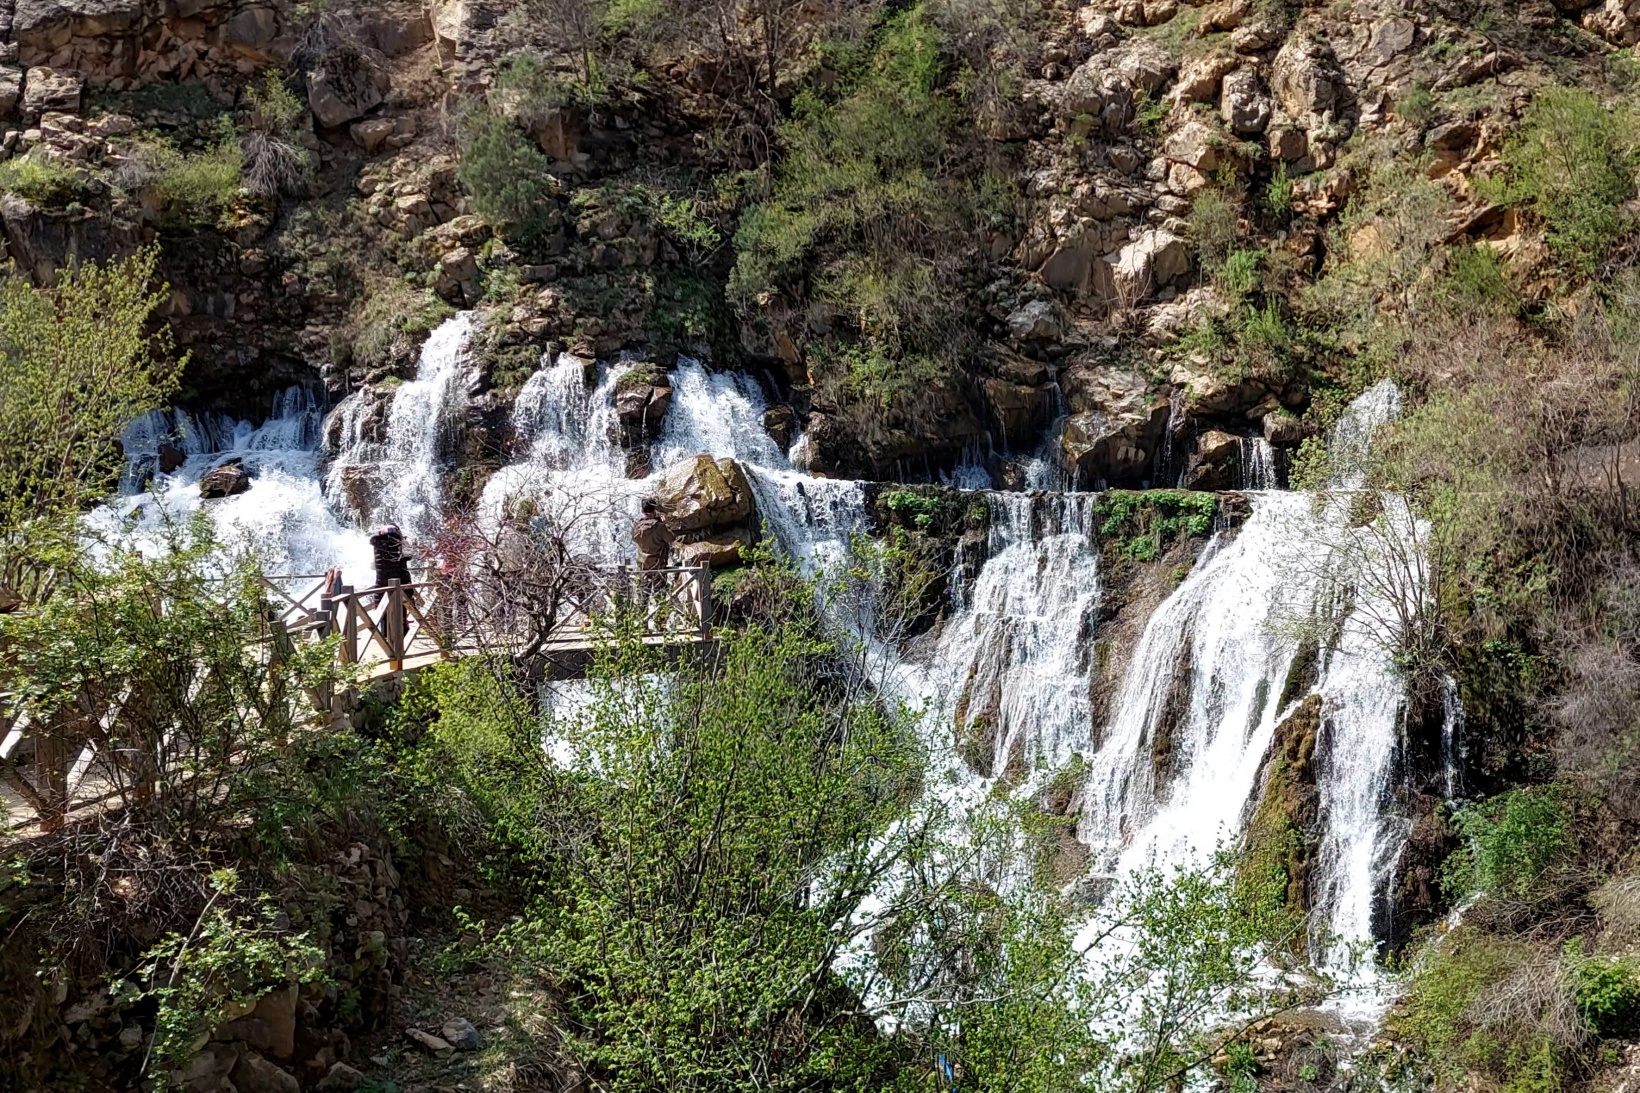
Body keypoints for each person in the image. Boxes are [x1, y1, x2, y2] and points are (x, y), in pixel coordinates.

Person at [632, 499, 675, 571]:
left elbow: (634, 539)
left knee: (645, 582)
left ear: (642, 511)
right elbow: (671, 539)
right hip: (658, 565)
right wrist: (666, 524)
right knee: (658, 582)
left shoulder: (636, 526)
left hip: (642, 565)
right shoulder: (659, 526)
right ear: (654, 510)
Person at [369, 524, 414, 589]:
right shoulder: (399, 543)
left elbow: (376, 564)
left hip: (382, 580)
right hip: (402, 579)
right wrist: (404, 540)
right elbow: (409, 556)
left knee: (380, 596)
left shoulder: (378, 544)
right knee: (406, 597)